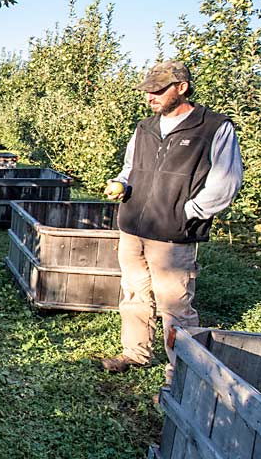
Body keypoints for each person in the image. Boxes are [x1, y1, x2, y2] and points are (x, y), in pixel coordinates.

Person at [101, 60, 243, 380]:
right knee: (134, 293)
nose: (150, 96)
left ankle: (180, 372)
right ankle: (135, 352)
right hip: (134, 225)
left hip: (173, 235)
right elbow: (129, 167)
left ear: (181, 88)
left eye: (158, 90)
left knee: (175, 306)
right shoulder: (145, 128)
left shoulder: (213, 127)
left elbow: (227, 182)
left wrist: (187, 212)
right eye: (147, 91)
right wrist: (123, 184)